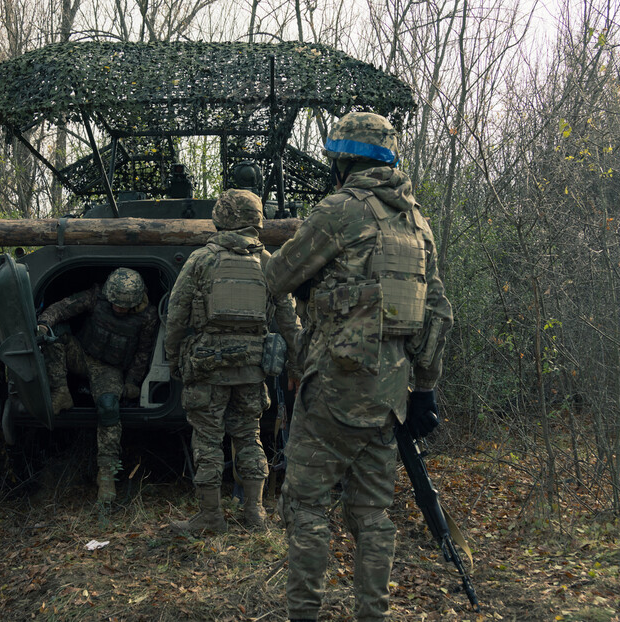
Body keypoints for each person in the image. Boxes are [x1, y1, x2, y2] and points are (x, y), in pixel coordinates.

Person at [264, 112, 454, 621]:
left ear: (343, 161)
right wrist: (425, 390)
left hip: (332, 388)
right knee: (373, 516)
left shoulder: (341, 210)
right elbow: (438, 311)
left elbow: (276, 277)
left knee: (305, 506)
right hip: (390, 394)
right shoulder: (416, 222)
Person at [165, 189, 302, 533]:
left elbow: (176, 316)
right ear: (256, 220)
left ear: (222, 218)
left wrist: (174, 360)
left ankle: (211, 518)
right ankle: (255, 514)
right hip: (252, 369)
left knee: (208, 441)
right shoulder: (270, 263)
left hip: (208, 368)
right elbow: (289, 321)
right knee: (249, 436)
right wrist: (298, 364)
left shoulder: (201, 260)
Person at [37, 268, 159, 506]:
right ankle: (61, 393)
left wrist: (133, 381)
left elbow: (144, 351)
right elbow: (61, 308)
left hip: (109, 369)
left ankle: (107, 474)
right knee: (55, 336)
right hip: (82, 355)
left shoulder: (147, 316)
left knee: (108, 408)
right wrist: (43, 324)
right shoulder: (96, 297)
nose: (118, 309)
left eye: (124, 306)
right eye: (114, 303)